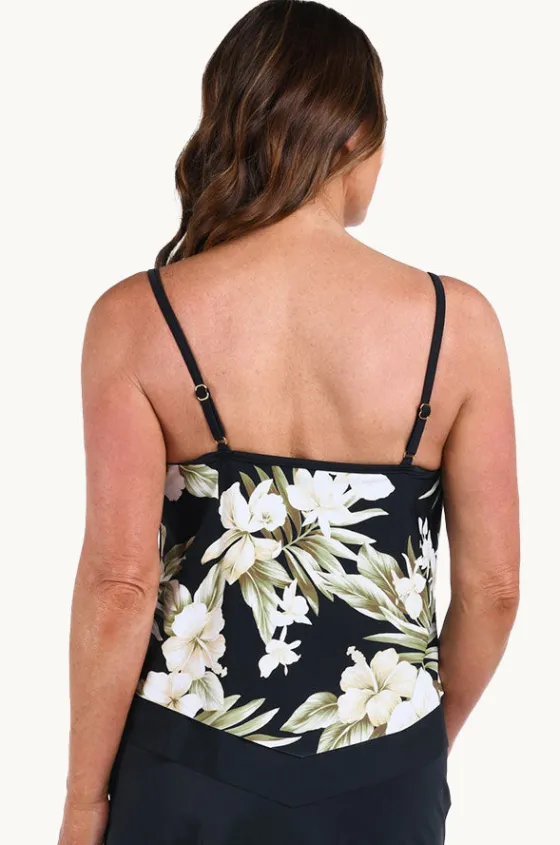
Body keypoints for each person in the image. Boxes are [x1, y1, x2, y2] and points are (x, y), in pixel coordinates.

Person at [58, 2, 520, 843]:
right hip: (388, 773)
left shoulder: (137, 319)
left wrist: (84, 803)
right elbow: (494, 589)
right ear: (354, 135)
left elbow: (120, 585)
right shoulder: (460, 326)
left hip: (185, 764)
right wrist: (413, 742)